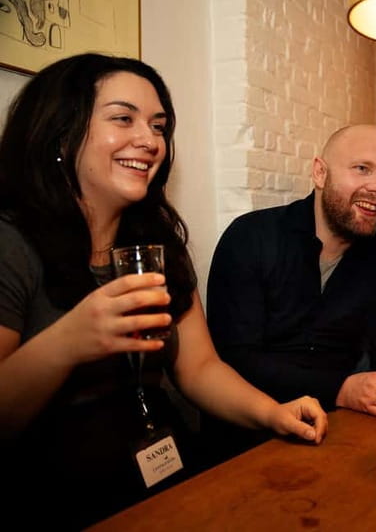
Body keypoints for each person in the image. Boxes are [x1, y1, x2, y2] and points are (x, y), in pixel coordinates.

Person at [0, 53, 327, 529]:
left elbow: (198, 367)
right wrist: (67, 341)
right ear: (60, 131)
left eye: (158, 125)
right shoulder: (11, 242)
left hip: (160, 481)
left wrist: (272, 413)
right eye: (122, 118)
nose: (149, 140)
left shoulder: (157, 242)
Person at [206, 124, 376, 424]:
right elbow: (233, 361)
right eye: (362, 168)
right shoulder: (251, 238)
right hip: (248, 440)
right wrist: (340, 390)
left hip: (341, 433)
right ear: (320, 173)